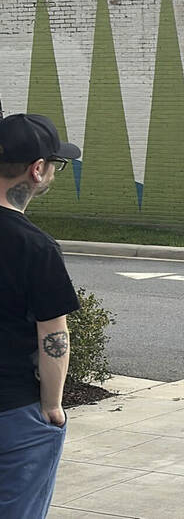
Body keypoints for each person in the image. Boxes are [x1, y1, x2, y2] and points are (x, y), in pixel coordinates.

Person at [0, 114, 81, 519]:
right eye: (55, 164)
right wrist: (52, 406)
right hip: (13, 414)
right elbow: (54, 337)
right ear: (36, 170)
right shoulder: (36, 247)